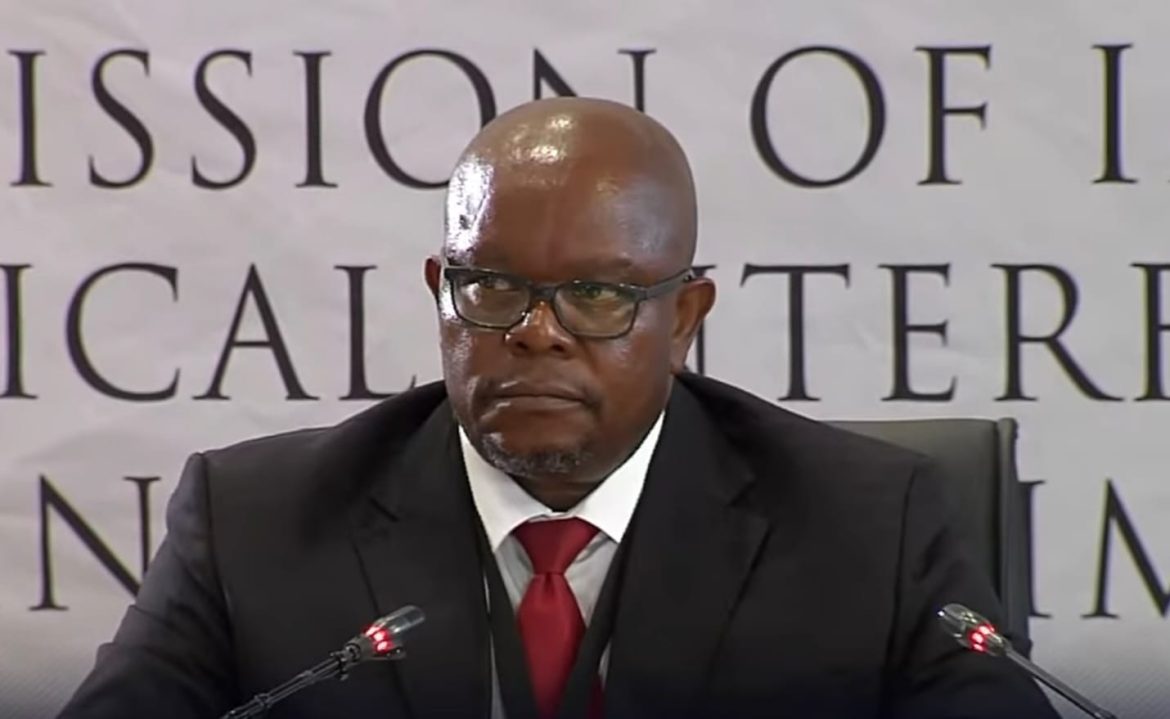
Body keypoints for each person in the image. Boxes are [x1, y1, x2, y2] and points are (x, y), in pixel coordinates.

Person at [60, 97, 1058, 719]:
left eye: (598, 294)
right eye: (493, 287)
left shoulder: (867, 527)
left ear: (684, 317)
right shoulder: (254, 522)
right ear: (441, 291)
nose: (537, 333)